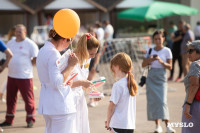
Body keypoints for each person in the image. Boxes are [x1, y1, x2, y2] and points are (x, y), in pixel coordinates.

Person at [36, 28, 79, 133]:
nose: (68, 46)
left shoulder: (43, 50)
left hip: (49, 103)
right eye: (69, 42)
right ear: (64, 39)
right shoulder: (53, 53)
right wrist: (70, 66)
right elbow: (57, 82)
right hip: (60, 105)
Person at [0, 24, 38, 128]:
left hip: (25, 76)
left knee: (28, 99)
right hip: (12, 75)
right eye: (16, 31)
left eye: (20, 32)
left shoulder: (30, 44)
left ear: (25, 32)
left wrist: (25, 64)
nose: (17, 33)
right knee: (10, 98)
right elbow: (7, 55)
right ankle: (9, 119)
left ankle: (30, 119)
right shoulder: (11, 42)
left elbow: (35, 60)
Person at [142, 30, 175, 133]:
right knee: (153, 102)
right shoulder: (150, 50)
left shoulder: (167, 50)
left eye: (159, 39)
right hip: (151, 77)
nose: (157, 41)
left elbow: (170, 67)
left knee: (162, 101)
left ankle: (168, 126)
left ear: (163, 39)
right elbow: (143, 64)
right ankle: (157, 126)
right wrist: (150, 60)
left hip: (161, 77)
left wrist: (161, 62)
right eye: (155, 39)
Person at [70, 33, 100, 133]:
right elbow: (62, 84)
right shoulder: (70, 58)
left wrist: (93, 90)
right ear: (83, 49)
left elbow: (84, 83)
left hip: (80, 99)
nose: (93, 56)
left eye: (95, 53)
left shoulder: (87, 59)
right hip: (68, 101)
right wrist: (82, 83)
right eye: (91, 54)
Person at [105, 52, 137, 133]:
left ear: (117, 66)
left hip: (118, 124)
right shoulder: (132, 83)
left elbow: (111, 107)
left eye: (113, 68)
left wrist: (108, 121)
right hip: (130, 125)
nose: (113, 71)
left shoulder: (118, 85)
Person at [181, 40, 200, 133]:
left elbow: (194, 84)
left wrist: (188, 105)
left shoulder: (195, 64)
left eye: (190, 51)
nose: (188, 53)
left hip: (195, 104)